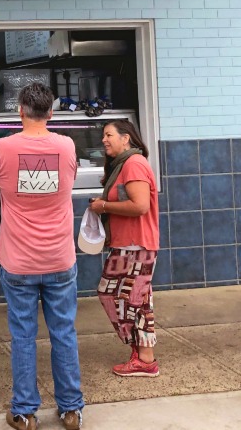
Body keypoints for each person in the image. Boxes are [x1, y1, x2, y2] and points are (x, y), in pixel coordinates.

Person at [0, 83, 84, 430]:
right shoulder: (67, 145)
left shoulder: (3, 147)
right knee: (64, 333)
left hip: (18, 261)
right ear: (51, 113)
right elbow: (69, 180)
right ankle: (72, 409)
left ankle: (25, 412)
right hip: (59, 257)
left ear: (20, 111)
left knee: (23, 336)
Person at [88, 119, 161, 378]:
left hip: (137, 245)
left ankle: (145, 359)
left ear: (125, 138)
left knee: (134, 300)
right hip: (126, 245)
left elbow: (140, 206)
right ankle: (140, 352)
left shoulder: (134, 164)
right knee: (119, 296)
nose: (104, 140)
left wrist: (104, 207)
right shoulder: (123, 165)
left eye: (109, 135)